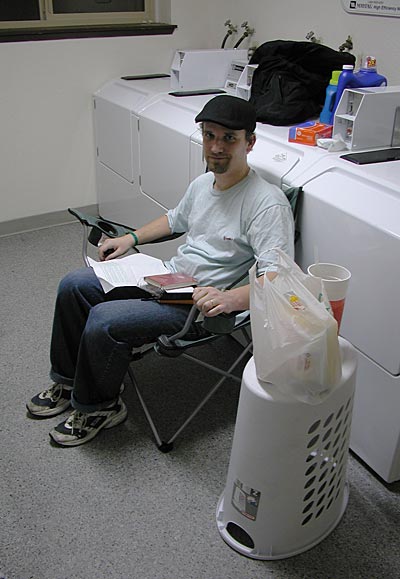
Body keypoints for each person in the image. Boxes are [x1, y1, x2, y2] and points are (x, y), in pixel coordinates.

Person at [27, 95, 295, 447]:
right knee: (74, 284)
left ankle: (99, 407)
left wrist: (230, 298)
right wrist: (130, 238)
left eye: (229, 138)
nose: (216, 147)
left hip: (195, 303)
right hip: (168, 276)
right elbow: (174, 220)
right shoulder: (204, 184)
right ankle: (66, 381)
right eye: (209, 135)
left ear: (250, 142)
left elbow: (278, 276)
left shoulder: (266, 203)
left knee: (105, 320)